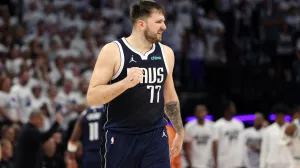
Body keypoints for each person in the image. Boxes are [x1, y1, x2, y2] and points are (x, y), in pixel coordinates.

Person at [86, 1, 184, 168]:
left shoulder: (166, 53)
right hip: (121, 137)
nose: (164, 27)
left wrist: (179, 130)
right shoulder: (113, 51)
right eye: (159, 22)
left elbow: (169, 95)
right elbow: (92, 97)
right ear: (141, 24)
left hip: (155, 135)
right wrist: (124, 83)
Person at [213, 100, 245, 168]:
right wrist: (215, 162)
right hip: (224, 162)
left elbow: (242, 143)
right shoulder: (218, 125)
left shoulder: (239, 124)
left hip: (238, 161)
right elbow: (214, 144)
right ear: (226, 110)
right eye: (232, 107)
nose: (234, 109)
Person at [260, 104, 293, 168]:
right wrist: (262, 165)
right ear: (275, 115)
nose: (280, 116)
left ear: (285, 115)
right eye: (278, 114)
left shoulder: (290, 128)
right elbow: (264, 150)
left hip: (288, 162)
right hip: (272, 162)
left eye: (282, 115)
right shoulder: (268, 130)